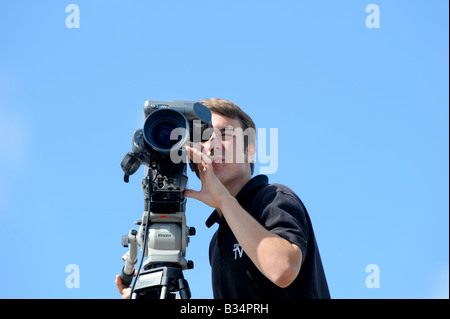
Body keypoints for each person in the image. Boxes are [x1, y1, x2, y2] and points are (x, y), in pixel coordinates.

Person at [116, 98, 330, 299]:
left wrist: (225, 201)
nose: (213, 144)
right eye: (203, 136)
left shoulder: (273, 198)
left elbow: (283, 269)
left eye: (226, 134)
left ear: (250, 151)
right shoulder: (218, 241)